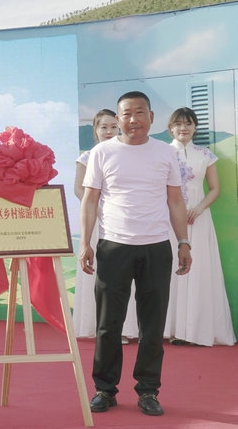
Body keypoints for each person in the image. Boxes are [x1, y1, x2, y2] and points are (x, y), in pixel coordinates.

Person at [79, 91, 192, 417]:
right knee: (108, 324)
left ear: (151, 117)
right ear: (118, 119)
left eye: (139, 112)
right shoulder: (102, 152)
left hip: (156, 247)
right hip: (113, 246)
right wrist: (85, 243)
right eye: (126, 114)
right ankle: (105, 389)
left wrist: (183, 242)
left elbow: (175, 200)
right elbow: (90, 200)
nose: (133, 120)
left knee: (152, 325)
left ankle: (148, 390)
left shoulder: (166, 153)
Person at [164, 107, 235, 346]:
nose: (183, 128)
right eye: (178, 124)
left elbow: (215, 189)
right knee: (170, 270)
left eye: (188, 123)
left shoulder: (206, 155)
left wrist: (198, 208)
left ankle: (195, 331)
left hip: (199, 219)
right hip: (169, 219)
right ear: (170, 128)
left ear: (195, 127)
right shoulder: (162, 153)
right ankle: (170, 329)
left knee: (199, 271)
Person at [72, 109, 139, 343]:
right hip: (96, 222)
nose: (109, 131)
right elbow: (79, 189)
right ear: (95, 130)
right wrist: (98, 209)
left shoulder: (128, 154)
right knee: (101, 276)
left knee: (125, 276)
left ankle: (126, 327)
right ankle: (102, 327)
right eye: (104, 127)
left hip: (125, 224)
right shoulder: (87, 157)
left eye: (113, 127)